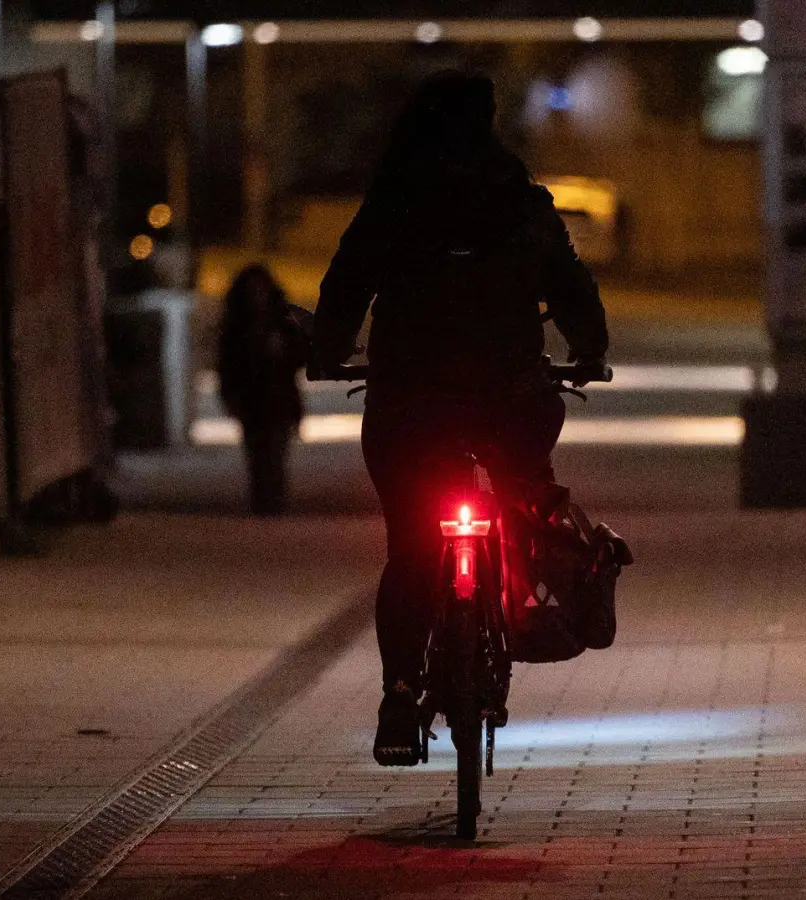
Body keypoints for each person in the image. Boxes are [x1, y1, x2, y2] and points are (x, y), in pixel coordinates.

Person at [308, 71, 609, 766]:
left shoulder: (394, 201)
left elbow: (346, 283)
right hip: (510, 402)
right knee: (526, 501)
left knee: (411, 548)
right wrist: (588, 351)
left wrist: (327, 352)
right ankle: (518, 606)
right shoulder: (518, 200)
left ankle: (398, 693)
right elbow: (569, 284)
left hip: (409, 407)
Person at [217, 264, 305, 516]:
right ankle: (262, 502)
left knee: (276, 453)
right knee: (257, 455)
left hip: (278, 400)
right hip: (252, 401)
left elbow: (301, 354)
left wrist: (283, 350)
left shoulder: (282, 320)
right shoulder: (236, 325)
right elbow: (227, 364)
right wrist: (230, 396)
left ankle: (274, 503)